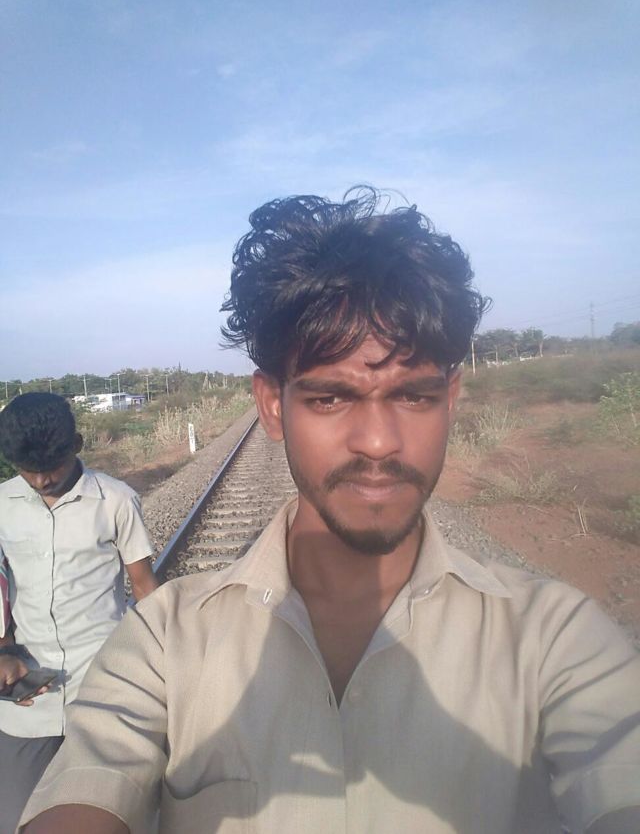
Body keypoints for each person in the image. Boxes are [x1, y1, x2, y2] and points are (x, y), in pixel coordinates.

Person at [20, 190, 640, 833]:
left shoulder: (556, 640)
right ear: (272, 405)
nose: (378, 442)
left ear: (451, 398)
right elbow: (88, 791)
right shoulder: (163, 641)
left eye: (414, 396)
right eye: (329, 399)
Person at [0, 392, 159, 834]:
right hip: (29, 695)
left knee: (118, 813)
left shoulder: (116, 500)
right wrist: (3, 651)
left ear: (77, 445)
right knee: (16, 819)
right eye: (27, 469)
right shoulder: (1, 505)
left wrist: (164, 665)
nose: (40, 480)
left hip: (104, 682)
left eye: (50, 466)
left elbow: (145, 587)